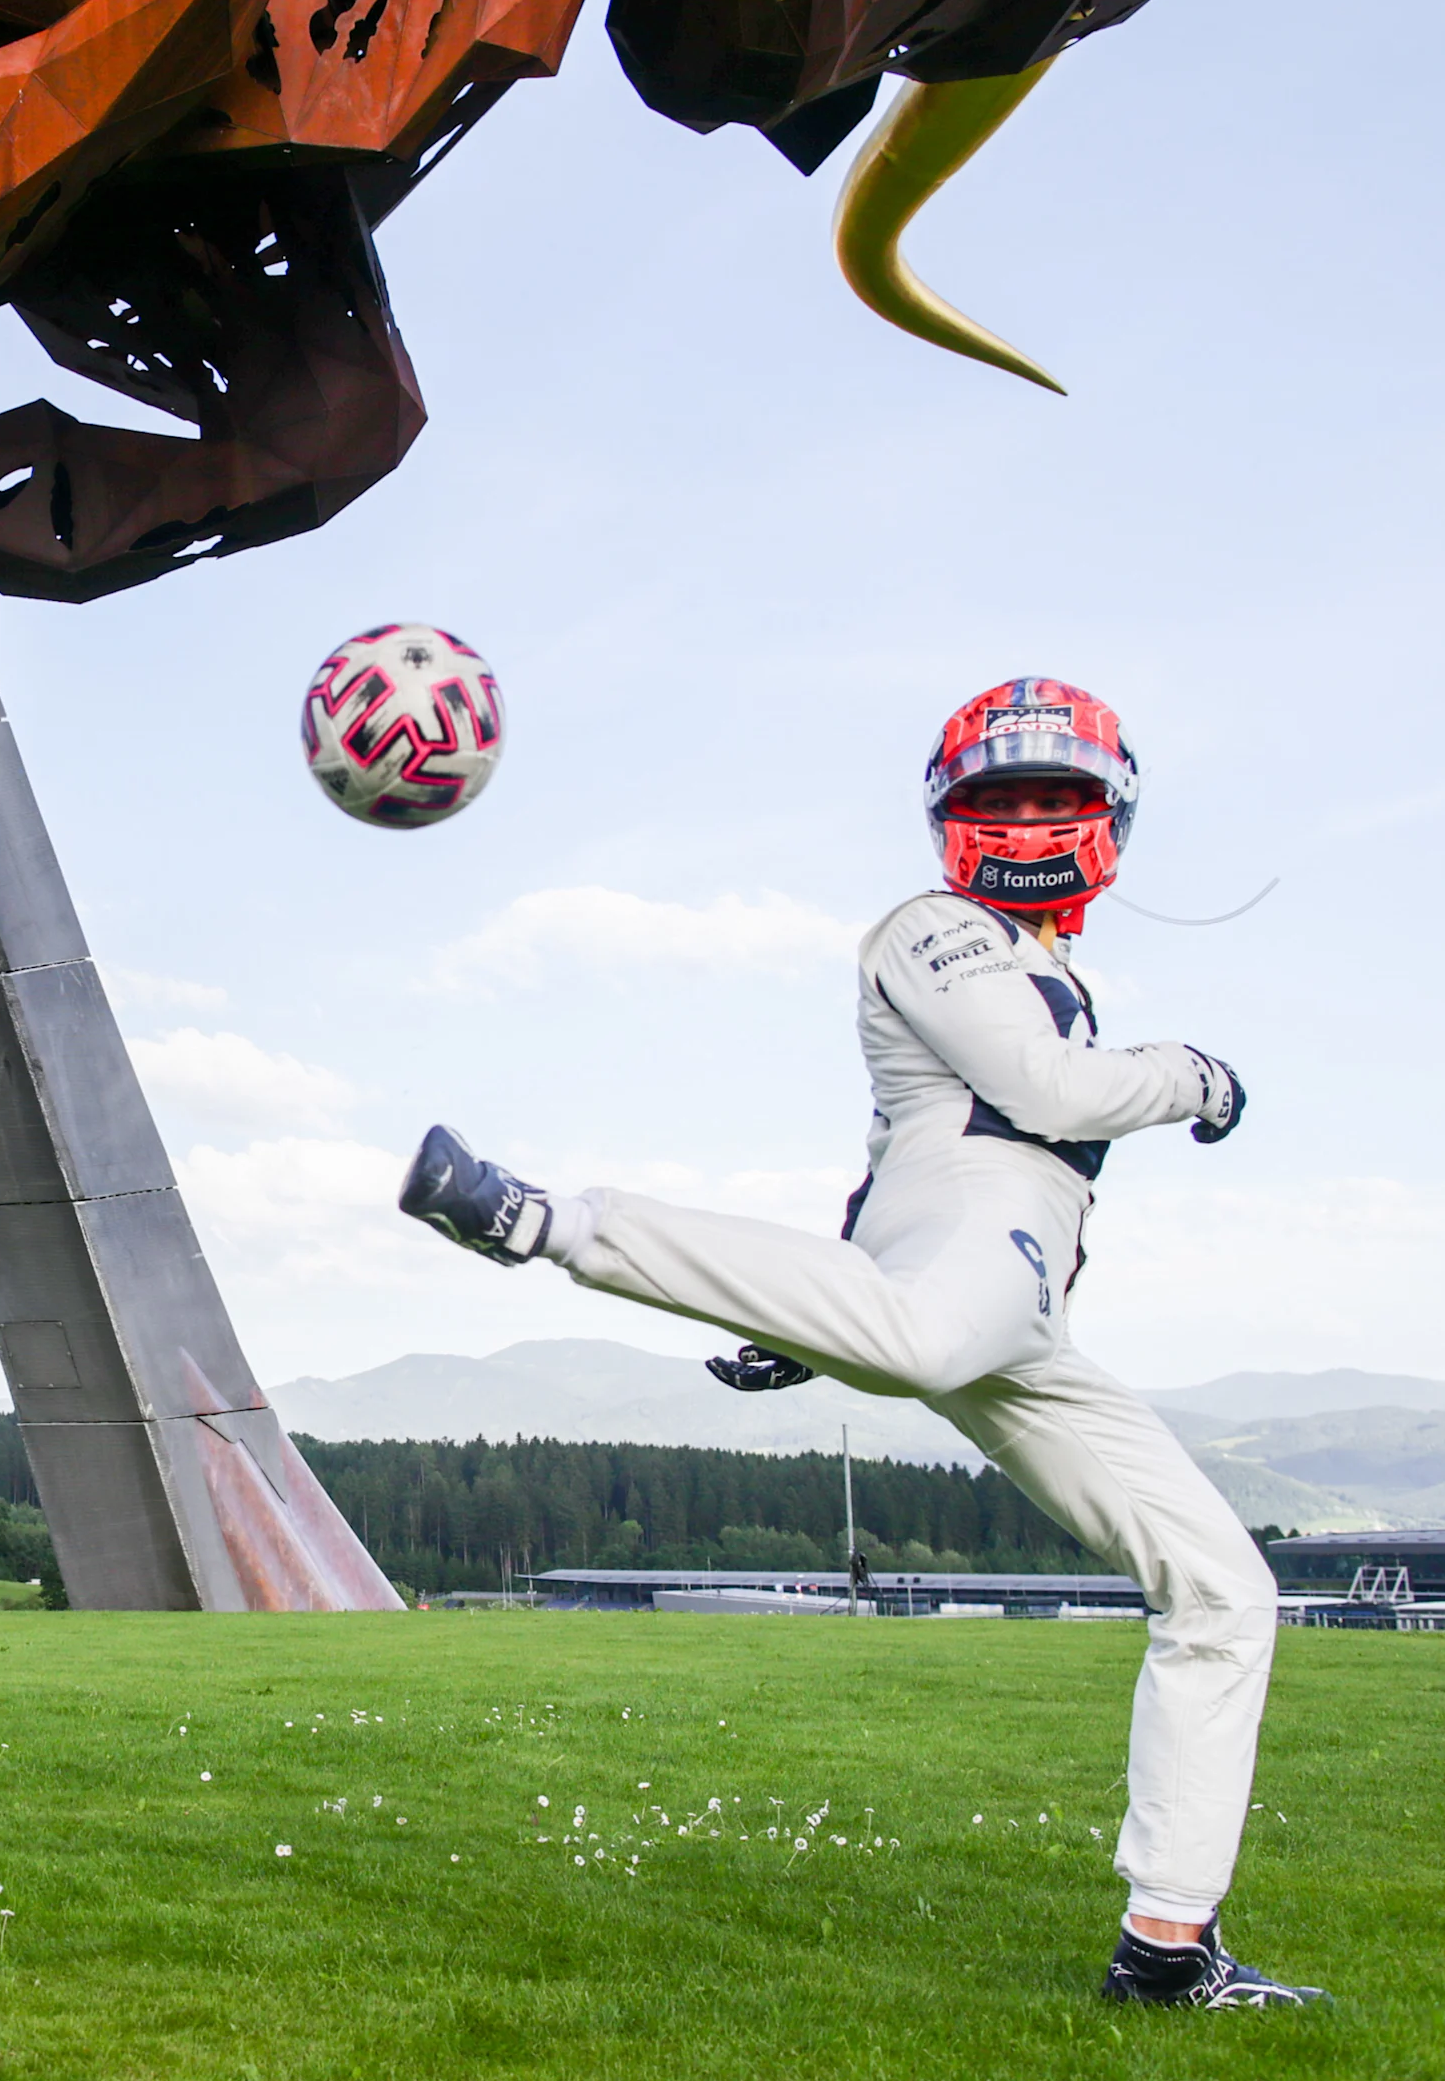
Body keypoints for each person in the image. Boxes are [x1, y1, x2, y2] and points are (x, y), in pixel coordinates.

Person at [400, 678, 1322, 2010]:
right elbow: (1046, 1094)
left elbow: (893, 1161)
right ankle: (543, 1217)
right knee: (926, 1338)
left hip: (1009, 1301)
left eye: (1053, 797)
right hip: (973, 1273)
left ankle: (1168, 1950)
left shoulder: (1045, 965)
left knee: (1227, 1589)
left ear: (1108, 815)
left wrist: (815, 1321)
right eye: (1002, 798)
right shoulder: (933, 926)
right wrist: (1198, 1076)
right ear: (953, 820)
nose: (1028, 821)